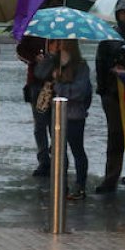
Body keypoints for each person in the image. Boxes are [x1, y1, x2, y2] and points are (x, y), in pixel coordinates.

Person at [94, 0, 125, 194]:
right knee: (115, 137)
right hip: (114, 94)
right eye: (123, 12)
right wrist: (104, 88)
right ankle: (110, 177)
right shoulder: (109, 35)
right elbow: (100, 63)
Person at [35, 39, 92, 199]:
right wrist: (49, 57)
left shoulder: (81, 66)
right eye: (56, 43)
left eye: (61, 43)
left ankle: (80, 186)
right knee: (59, 152)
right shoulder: (54, 61)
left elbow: (79, 92)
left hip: (74, 116)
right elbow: (39, 73)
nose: (58, 46)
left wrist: (59, 84)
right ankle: (61, 184)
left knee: (77, 150)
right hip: (56, 115)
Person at [16, 33, 51, 178]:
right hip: (36, 84)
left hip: (56, 84)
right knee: (40, 124)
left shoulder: (62, 33)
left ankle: (58, 157)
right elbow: (20, 51)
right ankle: (44, 161)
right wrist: (34, 58)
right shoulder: (34, 30)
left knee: (55, 123)